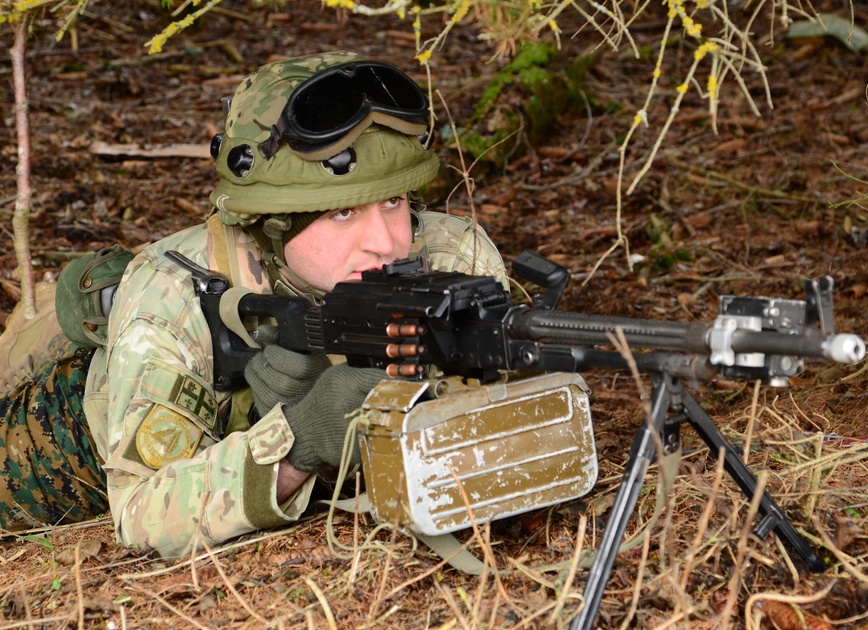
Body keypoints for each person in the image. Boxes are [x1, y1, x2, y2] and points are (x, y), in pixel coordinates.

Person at [0, 51, 508, 557]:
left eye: (393, 201)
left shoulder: (454, 257)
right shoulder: (172, 295)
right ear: (272, 221)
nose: (385, 241)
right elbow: (139, 514)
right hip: (67, 437)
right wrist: (299, 445)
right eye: (343, 212)